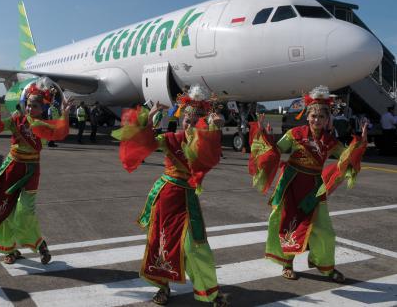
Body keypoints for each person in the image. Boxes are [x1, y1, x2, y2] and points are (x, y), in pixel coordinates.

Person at [112, 85, 228, 306]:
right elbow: (143, 143)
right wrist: (149, 117)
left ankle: (211, 293)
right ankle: (162, 288)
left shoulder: (205, 143)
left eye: (195, 121)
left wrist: (214, 129)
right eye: (187, 119)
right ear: (181, 119)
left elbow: (211, 158)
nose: (189, 124)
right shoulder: (170, 139)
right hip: (165, 196)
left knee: (195, 246)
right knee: (160, 243)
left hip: (187, 198)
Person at [248, 86, 368, 283]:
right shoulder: (294, 134)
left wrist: (360, 144)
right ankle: (287, 264)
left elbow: (346, 157)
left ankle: (325, 266)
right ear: (307, 116)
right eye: (313, 115)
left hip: (314, 188)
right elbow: (275, 152)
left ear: (327, 119)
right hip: (291, 186)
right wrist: (263, 135)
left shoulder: (330, 141)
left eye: (321, 116)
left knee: (325, 230)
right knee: (287, 224)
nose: (316, 120)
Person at [0, 80, 73, 265]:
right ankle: (10, 250)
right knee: (2, 209)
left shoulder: (44, 125)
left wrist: (65, 113)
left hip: (31, 171)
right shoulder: (16, 120)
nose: (29, 109)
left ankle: (39, 244)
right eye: (28, 105)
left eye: (34, 106)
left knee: (24, 213)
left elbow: (60, 133)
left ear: (42, 108)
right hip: (11, 168)